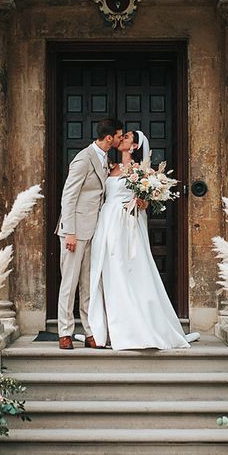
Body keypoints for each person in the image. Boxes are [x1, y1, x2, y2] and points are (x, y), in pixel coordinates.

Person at [87, 130, 193, 351]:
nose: (122, 139)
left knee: (127, 269)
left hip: (127, 223)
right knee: (106, 269)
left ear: (134, 146)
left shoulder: (142, 172)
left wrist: (142, 201)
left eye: (126, 138)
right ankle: (107, 327)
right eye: (122, 136)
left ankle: (133, 326)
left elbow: (145, 201)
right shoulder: (110, 166)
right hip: (106, 221)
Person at [56, 118, 124, 350]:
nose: (120, 139)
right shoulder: (83, 159)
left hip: (96, 230)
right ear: (109, 138)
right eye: (118, 135)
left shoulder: (106, 159)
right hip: (75, 231)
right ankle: (64, 332)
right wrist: (70, 232)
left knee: (89, 284)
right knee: (69, 282)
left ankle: (89, 331)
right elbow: (68, 196)